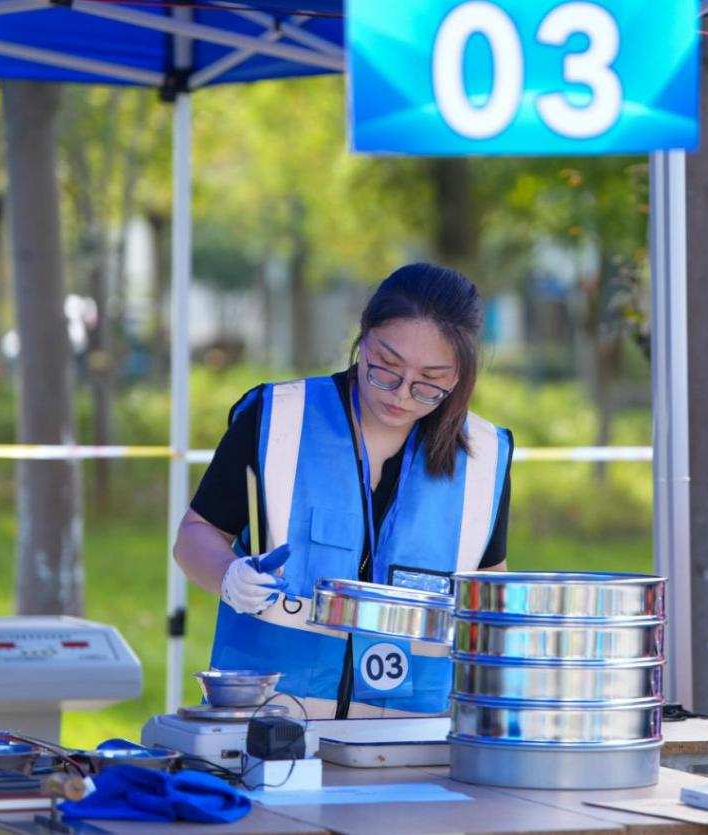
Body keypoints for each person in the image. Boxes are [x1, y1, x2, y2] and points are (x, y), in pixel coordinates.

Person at [174, 263, 513, 719]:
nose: (401, 394)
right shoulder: (278, 418)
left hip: (412, 736)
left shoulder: (485, 455)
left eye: (429, 382)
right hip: (270, 722)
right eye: (386, 367)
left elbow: (490, 590)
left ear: (458, 378)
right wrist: (229, 576)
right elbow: (196, 534)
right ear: (363, 335)